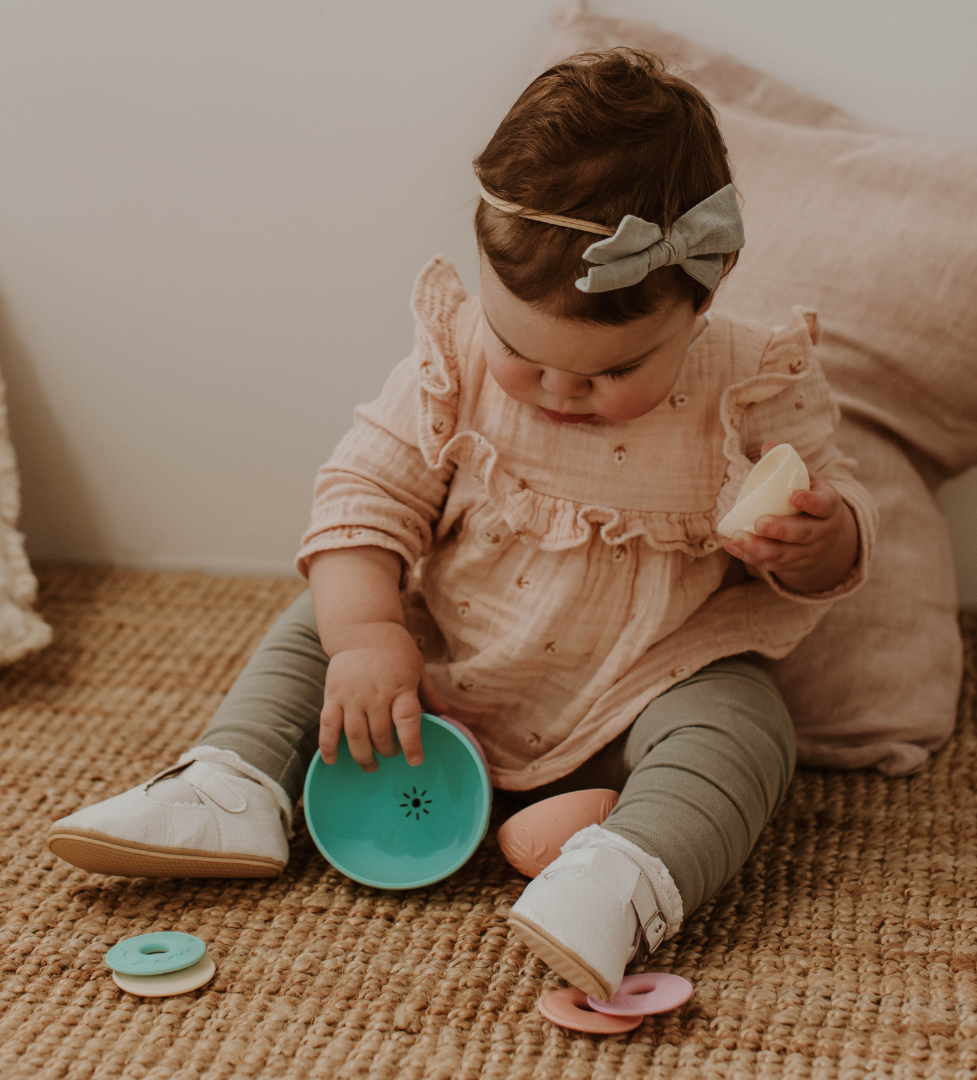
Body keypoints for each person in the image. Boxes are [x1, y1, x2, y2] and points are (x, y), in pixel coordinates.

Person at [48, 49, 875, 1000]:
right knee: (319, 619)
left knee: (745, 721)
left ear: (703, 294)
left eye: (611, 372)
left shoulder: (753, 381)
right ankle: (233, 787)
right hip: (427, 673)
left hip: (637, 685)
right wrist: (365, 639)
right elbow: (366, 492)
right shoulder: (456, 358)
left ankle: (624, 875)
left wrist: (820, 542)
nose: (561, 390)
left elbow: (836, 527)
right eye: (525, 350)